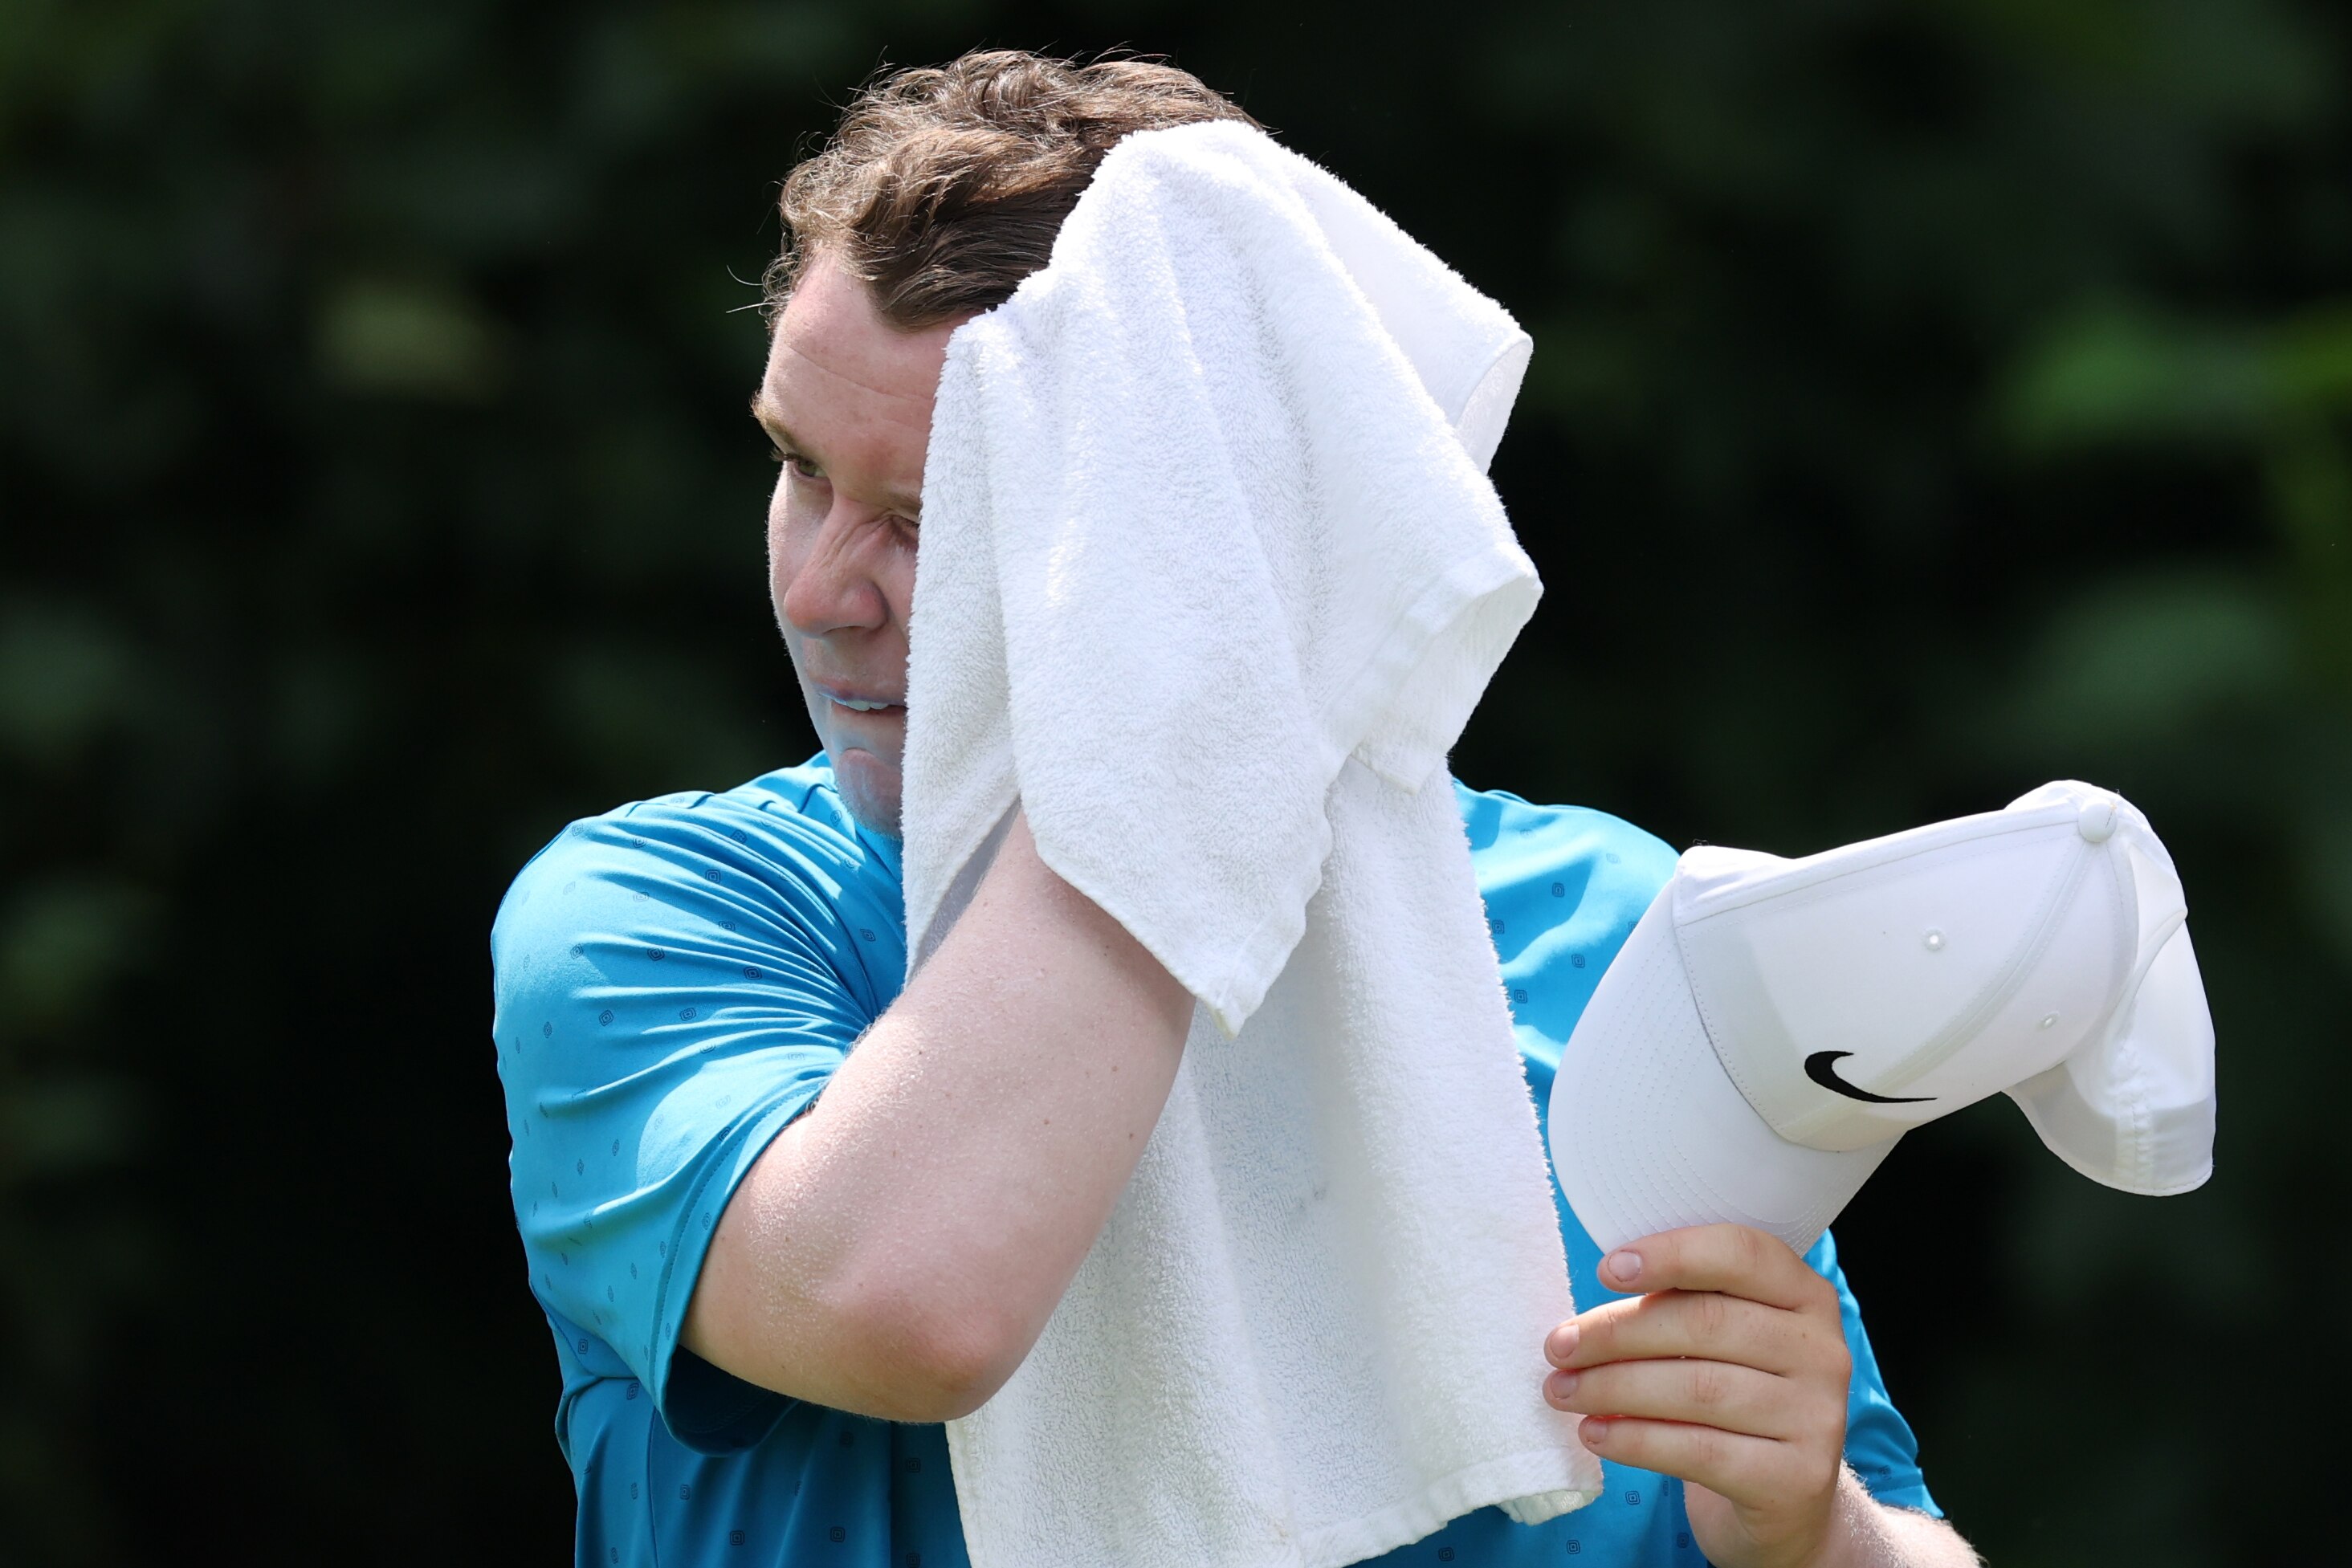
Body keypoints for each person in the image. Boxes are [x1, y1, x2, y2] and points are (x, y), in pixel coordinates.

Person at [491, 50, 1981, 1568]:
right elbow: (907, 1303)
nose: (818, 591)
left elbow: (1895, 1534)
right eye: (799, 468)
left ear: (1212, 524)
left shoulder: (1607, 934)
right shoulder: (661, 917)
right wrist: (1178, 737)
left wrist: (1815, 1530)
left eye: (935, 518)